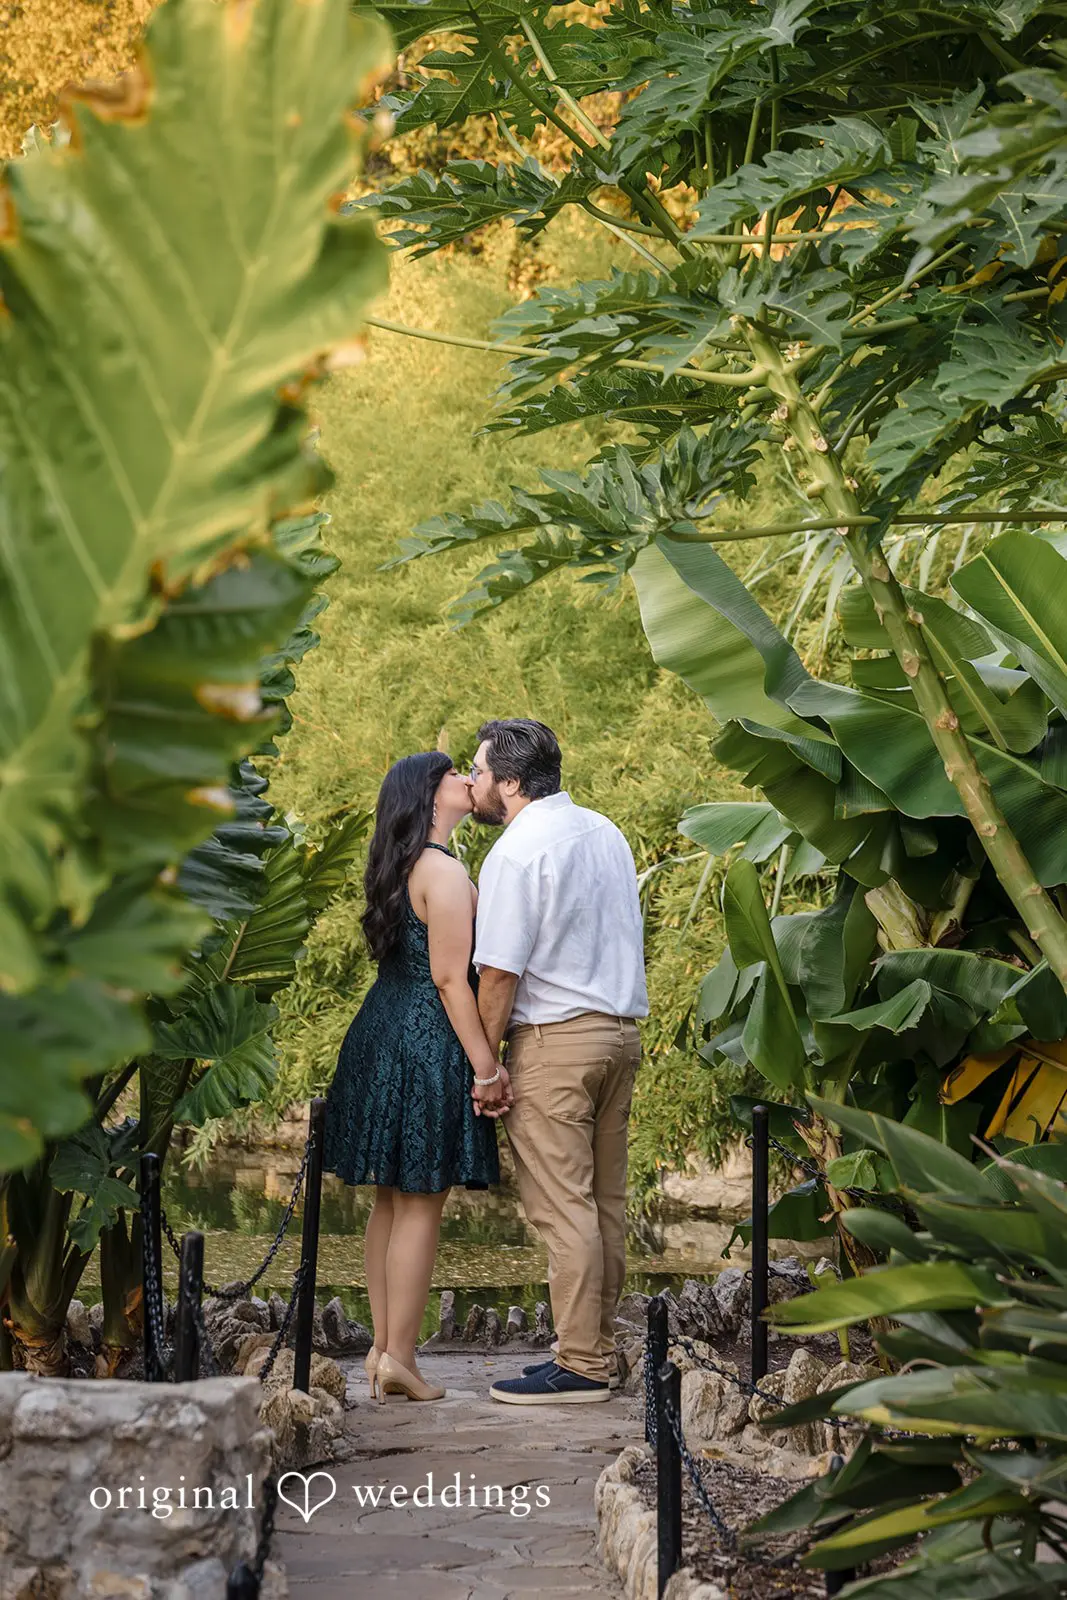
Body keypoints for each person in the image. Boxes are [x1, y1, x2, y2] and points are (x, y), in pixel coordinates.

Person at [467, 719, 649, 1405]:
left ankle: (579, 1364)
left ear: (510, 782)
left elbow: (499, 973)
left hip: (555, 1043)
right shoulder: (603, 832)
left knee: (563, 1209)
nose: (473, 783)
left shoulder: (516, 852)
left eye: (479, 772)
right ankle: (595, 1350)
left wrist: (485, 1068)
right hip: (618, 1036)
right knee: (604, 1203)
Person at [323, 752, 506, 1405]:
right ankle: (400, 1355)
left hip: (379, 1035)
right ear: (429, 795)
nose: (466, 778)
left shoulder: (402, 866)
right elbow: (452, 979)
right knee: (421, 1199)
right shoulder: (445, 873)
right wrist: (486, 1065)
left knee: (390, 1199)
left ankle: (381, 1348)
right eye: (454, 772)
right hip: (426, 1045)